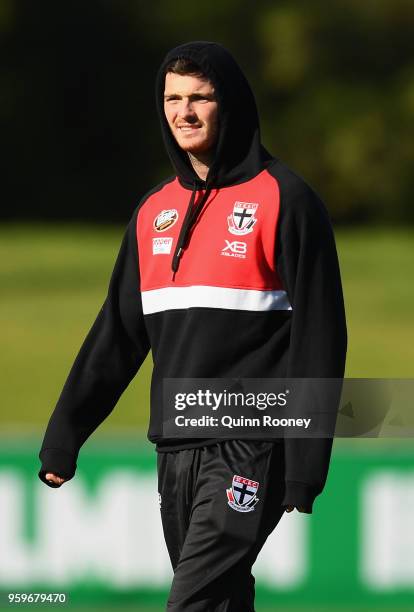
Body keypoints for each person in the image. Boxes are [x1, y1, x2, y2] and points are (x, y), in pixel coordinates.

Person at [39, 41, 347, 610]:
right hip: (175, 446)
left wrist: (305, 461)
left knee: (192, 604)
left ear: (229, 104)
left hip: (253, 442)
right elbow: (118, 335)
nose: (184, 111)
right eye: (172, 98)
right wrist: (65, 436)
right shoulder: (153, 210)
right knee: (221, 601)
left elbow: (320, 338)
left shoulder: (287, 199)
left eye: (200, 97)